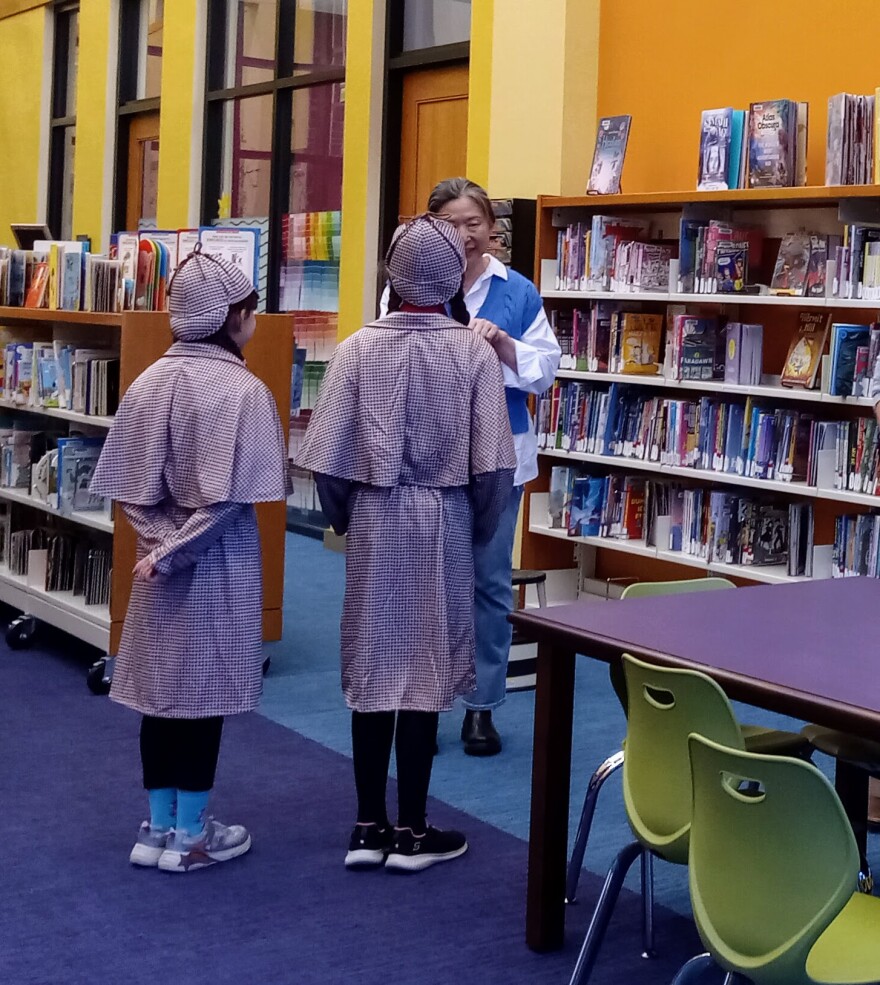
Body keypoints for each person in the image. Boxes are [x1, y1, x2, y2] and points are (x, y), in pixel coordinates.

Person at [297, 215, 516, 871]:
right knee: (426, 673)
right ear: (453, 275)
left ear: (392, 272)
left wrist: (344, 517)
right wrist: (475, 525)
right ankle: (415, 829)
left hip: (374, 518)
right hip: (443, 518)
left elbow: (326, 461)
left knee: (371, 667)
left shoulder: (358, 348)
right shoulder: (472, 352)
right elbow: (495, 468)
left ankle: (367, 825)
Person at [90, 247, 290, 873]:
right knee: (201, 698)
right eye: (250, 312)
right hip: (215, 565)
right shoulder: (245, 391)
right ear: (232, 318)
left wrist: (156, 548)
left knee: (159, 696)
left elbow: (125, 487)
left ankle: (156, 826)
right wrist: (178, 553)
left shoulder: (146, 380)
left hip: (155, 568)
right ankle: (193, 834)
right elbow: (231, 501)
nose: (254, 323)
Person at [383, 177, 560, 756]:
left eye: (474, 223)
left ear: (492, 227)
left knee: (489, 581)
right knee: (425, 582)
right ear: (429, 226)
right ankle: (423, 703)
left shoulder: (518, 290)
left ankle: (482, 706)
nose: (464, 234)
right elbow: (387, 357)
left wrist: (504, 344)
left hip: (497, 456)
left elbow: (546, 372)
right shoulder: (403, 288)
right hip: (425, 456)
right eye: (451, 223)